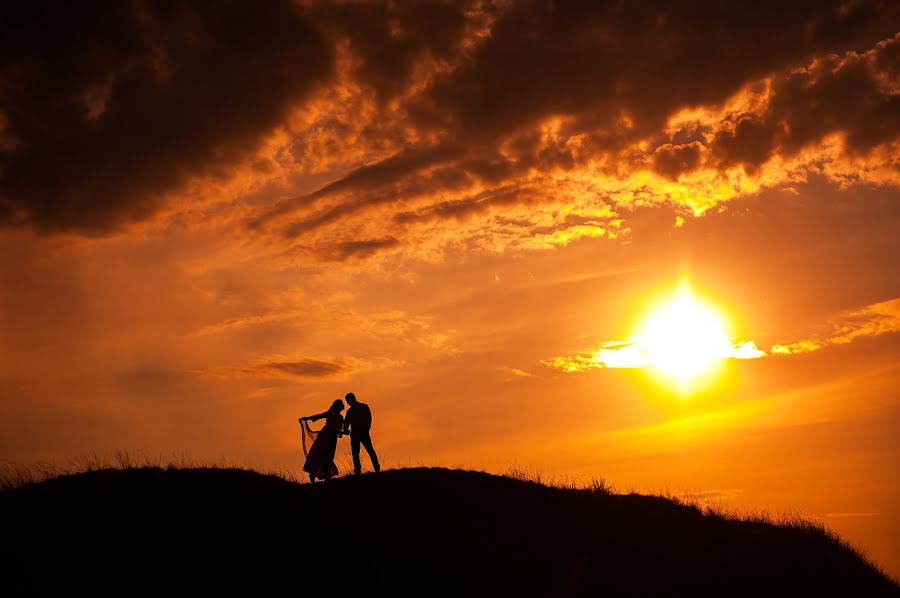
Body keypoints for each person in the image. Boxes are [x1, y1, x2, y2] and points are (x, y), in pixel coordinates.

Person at [299, 399, 345, 483]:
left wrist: (344, 432)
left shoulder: (341, 418)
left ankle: (326, 476)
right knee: (318, 455)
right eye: (342, 404)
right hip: (324, 437)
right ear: (338, 406)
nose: (343, 406)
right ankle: (313, 474)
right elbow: (319, 416)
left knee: (328, 457)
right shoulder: (331, 413)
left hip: (332, 439)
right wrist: (307, 418)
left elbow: (338, 431)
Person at [342, 392, 380, 475]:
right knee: (361, 452)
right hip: (358, 433)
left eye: (347, 400)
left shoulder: (359, 408)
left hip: (361, 433)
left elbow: (368, 418)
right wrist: (345, 430)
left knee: (364, 451)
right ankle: (362, 470)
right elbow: (346, 424)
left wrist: (346, 430)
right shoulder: (362, 407)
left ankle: (372, 468)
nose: (347, 403)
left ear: (351, 399)